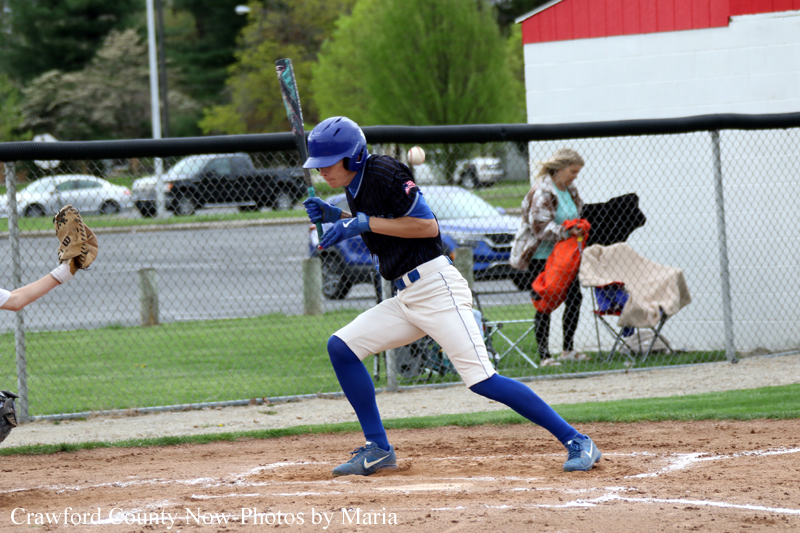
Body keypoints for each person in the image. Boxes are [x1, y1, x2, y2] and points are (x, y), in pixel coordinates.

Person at [302, 117, 601, 477]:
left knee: (482, 380)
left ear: (352, 158)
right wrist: (340, 214)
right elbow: (381, 219)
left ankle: (577, 440)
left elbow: (427, 227)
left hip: (436, 288)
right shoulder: (356, 183)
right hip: (406, 296)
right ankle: (378, 448)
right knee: (341, 347)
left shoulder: (383, 172)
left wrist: (361, 223)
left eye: (327, 163)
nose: (321, 172)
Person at [510, 148, 590, 367]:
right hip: (542, 256)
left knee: (574, 298)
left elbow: (577, 215)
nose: (575, 176)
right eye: (572, 171)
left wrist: (577, 228)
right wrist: (568, 231)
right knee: (544, 302)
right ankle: (545, 356)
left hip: (564, 257)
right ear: (560, 169)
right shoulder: (543, 191)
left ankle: (568, 350)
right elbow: (540, 227)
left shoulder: (570, 189)